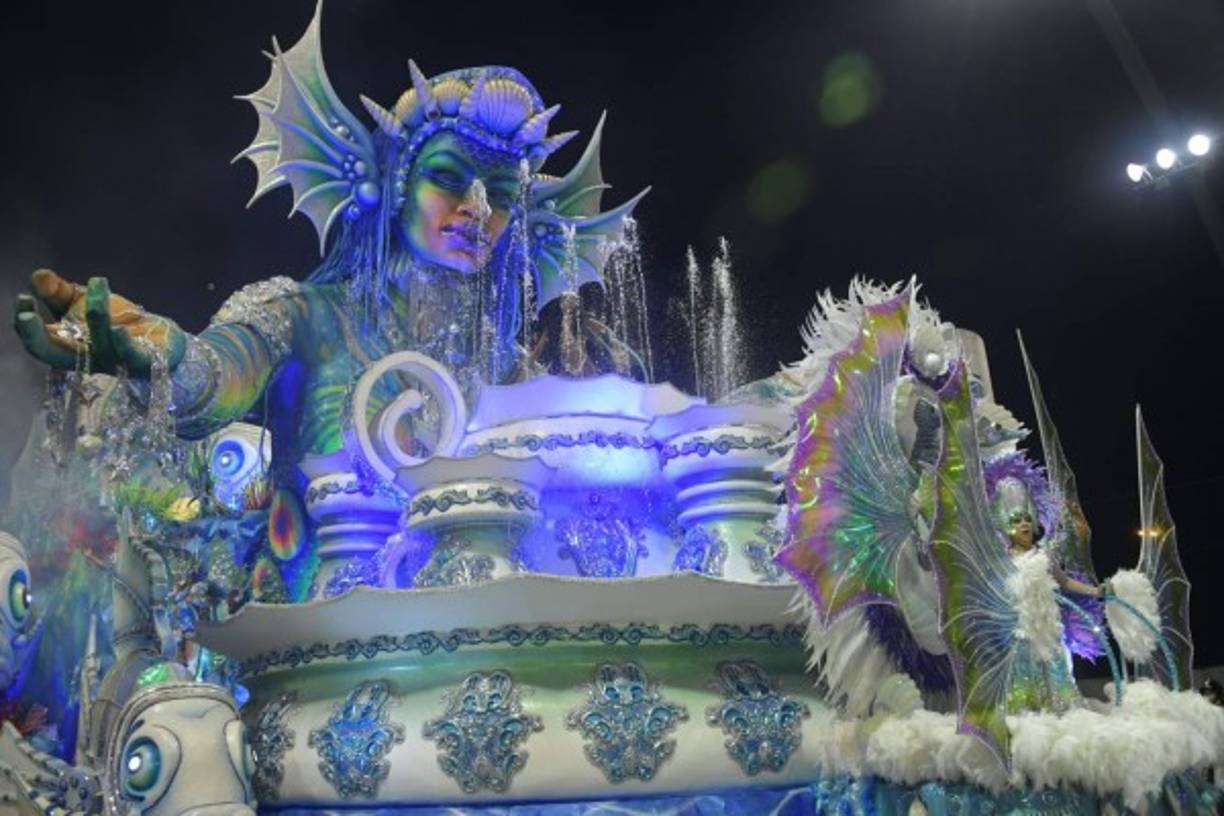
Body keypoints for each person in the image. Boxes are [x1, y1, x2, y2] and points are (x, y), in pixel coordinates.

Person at [11, 4, 645, 599]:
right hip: (315, 639)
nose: (477, 208)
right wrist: (161, 354)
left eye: (501, 194)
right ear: (395, 186)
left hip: (470, 636)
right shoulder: (306, 315)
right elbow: (215, 376)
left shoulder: (507, 370)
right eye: (448, 178)